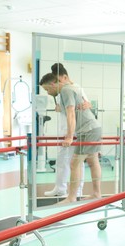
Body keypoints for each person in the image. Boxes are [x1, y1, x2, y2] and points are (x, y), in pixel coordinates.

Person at [40, 72, 102, 203]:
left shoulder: (66, 91)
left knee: (75, 164)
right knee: (93, 162)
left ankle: (72, 197)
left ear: (53, 84)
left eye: (47, 89)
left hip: (87, 130)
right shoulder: (71, 89)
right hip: (94, 128)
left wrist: (69, 137)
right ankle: (97, 194)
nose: (47, 92)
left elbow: (71, 114)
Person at [44, 63, 91, 197]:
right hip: (64, 130)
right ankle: (60, 188)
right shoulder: (62, 90)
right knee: (61, 161)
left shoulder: (76, 88)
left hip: (75, 132)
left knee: (77, 163)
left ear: (65, 77)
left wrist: (86, 105)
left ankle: (78, 190)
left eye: (59, 80)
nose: (57, 83)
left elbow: (87, 104)